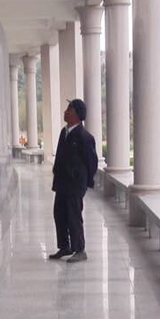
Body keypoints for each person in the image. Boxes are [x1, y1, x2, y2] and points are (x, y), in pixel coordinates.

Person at [49, 98, 98, 262]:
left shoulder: (85, 137)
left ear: (77, 114)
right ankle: (65, 246)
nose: (65, 112)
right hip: (62, 183)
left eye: (69, 110)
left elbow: (92, 162)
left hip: (75, 184)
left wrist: (85, 181)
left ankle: (80, 249)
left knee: (73, 215)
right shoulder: (64, 133)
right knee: (59, 213)